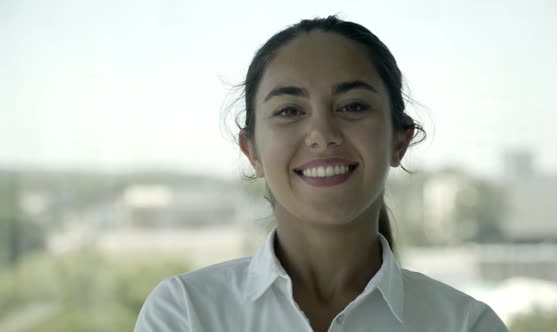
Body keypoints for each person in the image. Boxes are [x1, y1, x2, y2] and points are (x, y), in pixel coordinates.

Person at [134, 16, 509, 332]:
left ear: (400, 139)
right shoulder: (185, 313)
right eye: (289, 111)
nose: (322, 135)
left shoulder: (465, 324)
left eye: (353, 106)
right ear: (251, 150)